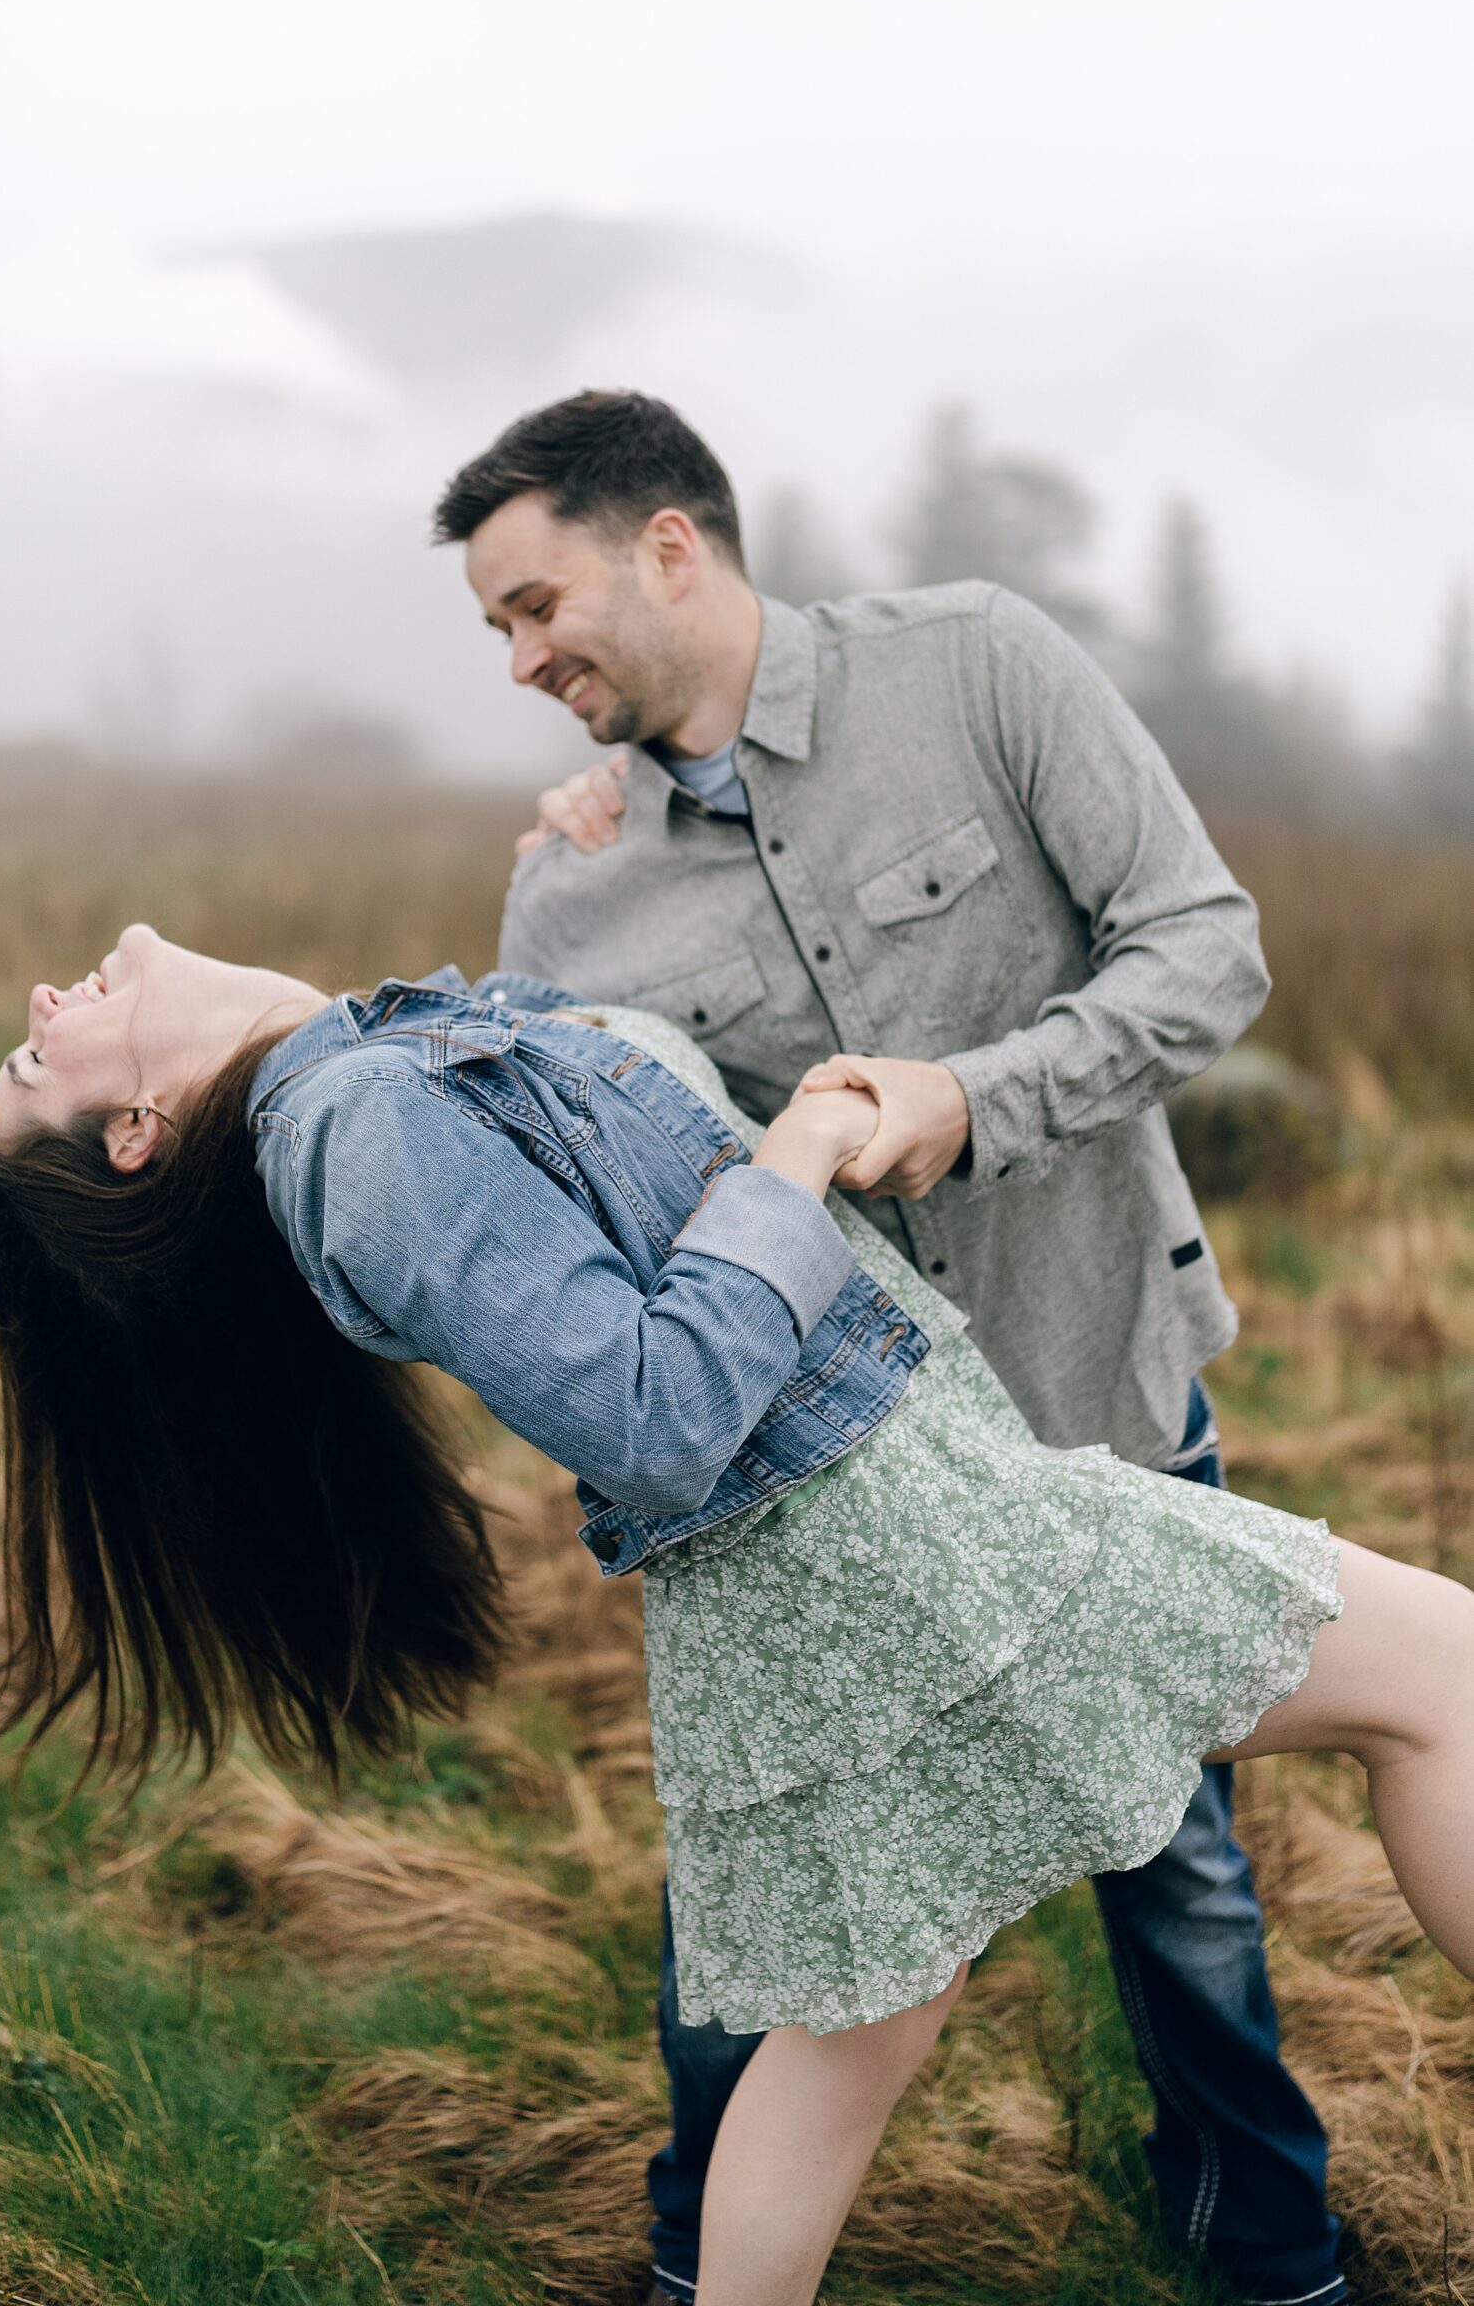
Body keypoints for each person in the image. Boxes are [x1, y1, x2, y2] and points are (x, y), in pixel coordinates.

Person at [0, 926, 1474, 2306]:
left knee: (859, 2034)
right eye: (39, 1058)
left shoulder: (383, 1056)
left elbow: (632, 1091)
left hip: (887, 1523)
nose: (43, 1001)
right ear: (134, 1134)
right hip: (884, 1549)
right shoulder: (355, 1130)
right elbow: (651, 1410)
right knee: (1439, 1675)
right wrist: (802, 1153)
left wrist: (590, 831)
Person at [433, 389, 1345, 2305]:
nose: (521, 664)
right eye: (498, 633)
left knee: (1173, 1864)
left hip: (1097, 1383)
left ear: (668, 540)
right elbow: (588, 1215)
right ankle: (702, 2265)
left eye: (536, 608)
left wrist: (975, 1092)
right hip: (843, 1495)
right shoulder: (565, 887)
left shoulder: (982, 666)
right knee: (748, 1915)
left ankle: (1268, 2248)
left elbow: (1205, 947)